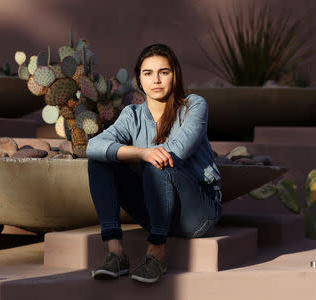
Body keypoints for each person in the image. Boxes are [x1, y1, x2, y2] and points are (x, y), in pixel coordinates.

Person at [85, 43, 222, 284]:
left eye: (164, 72)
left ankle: (156, 252)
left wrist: (146, 155)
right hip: (156, 206)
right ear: (138, 78)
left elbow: (176, 151)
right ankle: (116, 252)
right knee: (100, 162)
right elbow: (93, 146)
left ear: (175, 75)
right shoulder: (132, 115)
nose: (156, 80)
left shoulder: (194, 106)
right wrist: (140, 152)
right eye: (148, 73)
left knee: (159, 162)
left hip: (196, 212)